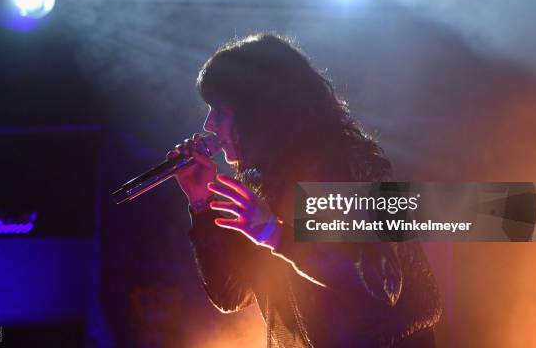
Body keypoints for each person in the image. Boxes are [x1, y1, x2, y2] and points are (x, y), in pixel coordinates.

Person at [167, 34, 442, 347]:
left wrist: (276, 234)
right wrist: (201, 203)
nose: (209, 126)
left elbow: (383, 289)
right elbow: (232, 294)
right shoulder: (259, 185)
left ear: (257, 111)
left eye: (219, 111)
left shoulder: (342, 170)